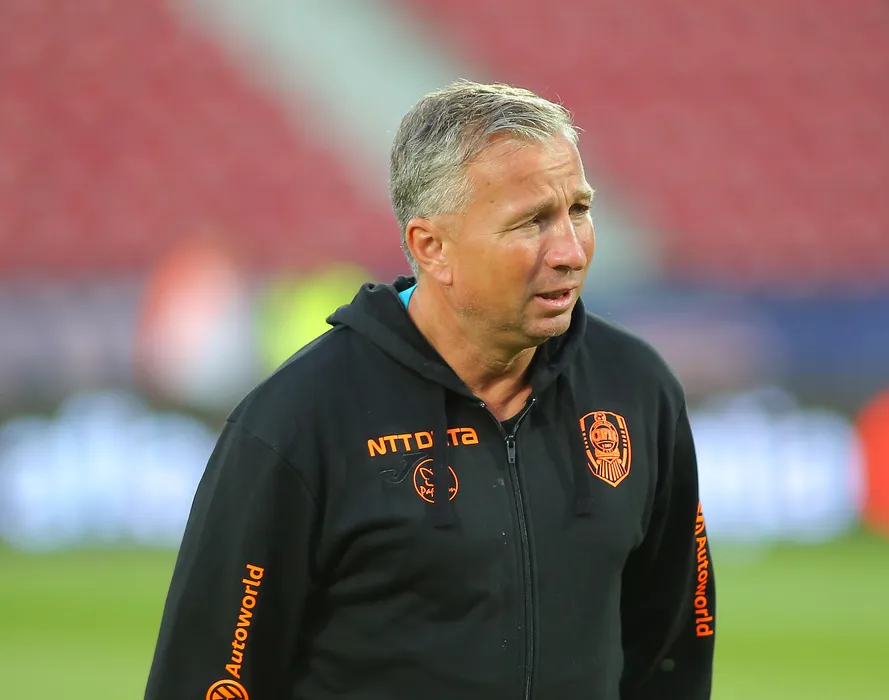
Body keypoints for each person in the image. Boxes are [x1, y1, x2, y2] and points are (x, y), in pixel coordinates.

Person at [144, 80, 716, 700]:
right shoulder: (298, 420)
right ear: (432, 247)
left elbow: (674, 648)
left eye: (578, 210)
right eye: (531, 222)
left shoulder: (636, 388)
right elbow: (211, 676)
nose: (571, 252)